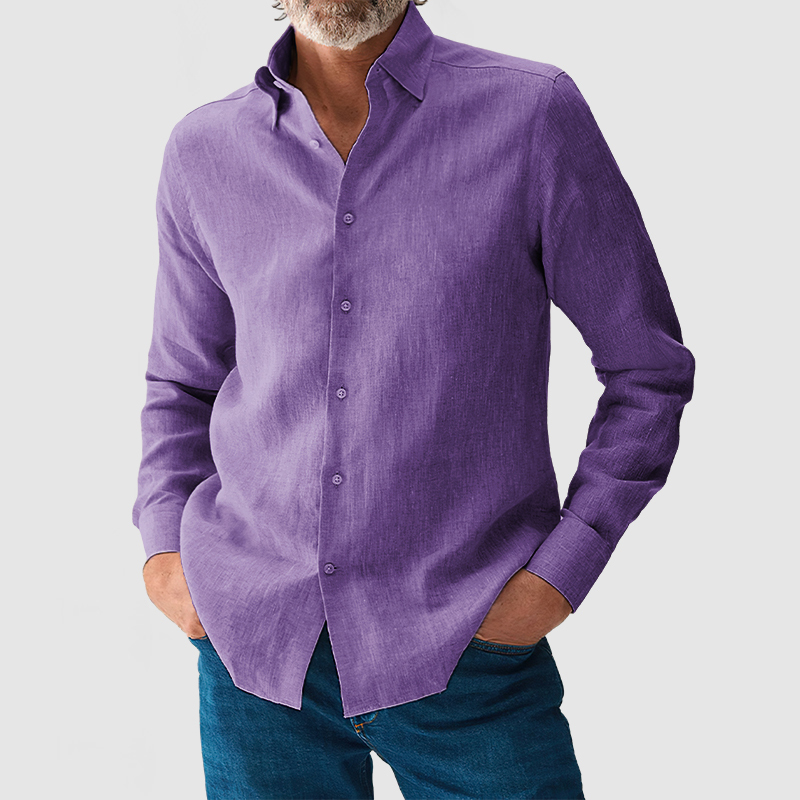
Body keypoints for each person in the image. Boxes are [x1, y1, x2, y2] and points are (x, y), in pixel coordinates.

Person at [133, 1, 695, 797]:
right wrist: (164, 552)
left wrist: (561, 573)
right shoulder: (205, 149)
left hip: (467, 646)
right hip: (255, 652)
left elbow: (646, 368)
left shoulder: (530, 115)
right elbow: (182, 381)